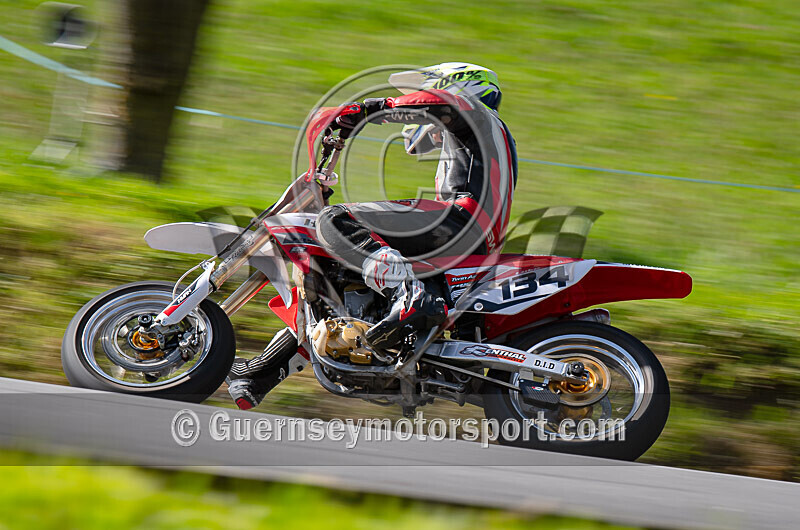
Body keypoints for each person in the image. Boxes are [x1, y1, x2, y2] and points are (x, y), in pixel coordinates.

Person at [227, 63, 517, 409]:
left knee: (336, 219)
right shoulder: (482, 137)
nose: (425, 128)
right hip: (472, 233)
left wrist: (370, 108)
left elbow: (441, 104)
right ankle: (258, 372)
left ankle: (407, 293)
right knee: (332, 283)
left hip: (461, 220)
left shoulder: (476, 112)